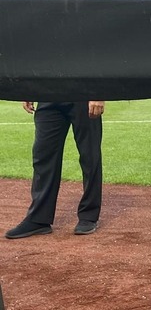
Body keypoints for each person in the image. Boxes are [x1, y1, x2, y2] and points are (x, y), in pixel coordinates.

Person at [5, 100, 105, 239]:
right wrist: (29, 91)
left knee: (90, 156)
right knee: (43, 156)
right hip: (48, 96)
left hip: (84, 93)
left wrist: (98, 95)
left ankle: (89, 216)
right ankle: (39, 219)